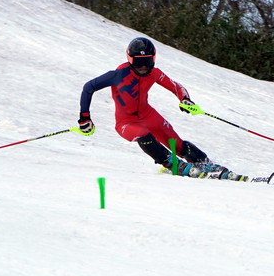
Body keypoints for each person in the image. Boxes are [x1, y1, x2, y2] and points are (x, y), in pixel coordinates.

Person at [78, 37, 215, 177]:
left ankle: (205, 163)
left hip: (148, 115)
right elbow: (89, 87)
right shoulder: (118, 74)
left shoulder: (154, 73)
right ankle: (171, 164)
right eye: (138, 63)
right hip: (126, 122)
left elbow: (176, 86)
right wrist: (84, 117)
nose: (143, 67)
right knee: (143, 134)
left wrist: (185, 99)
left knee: (177, 144)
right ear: (130, 59)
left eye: (147, 62)